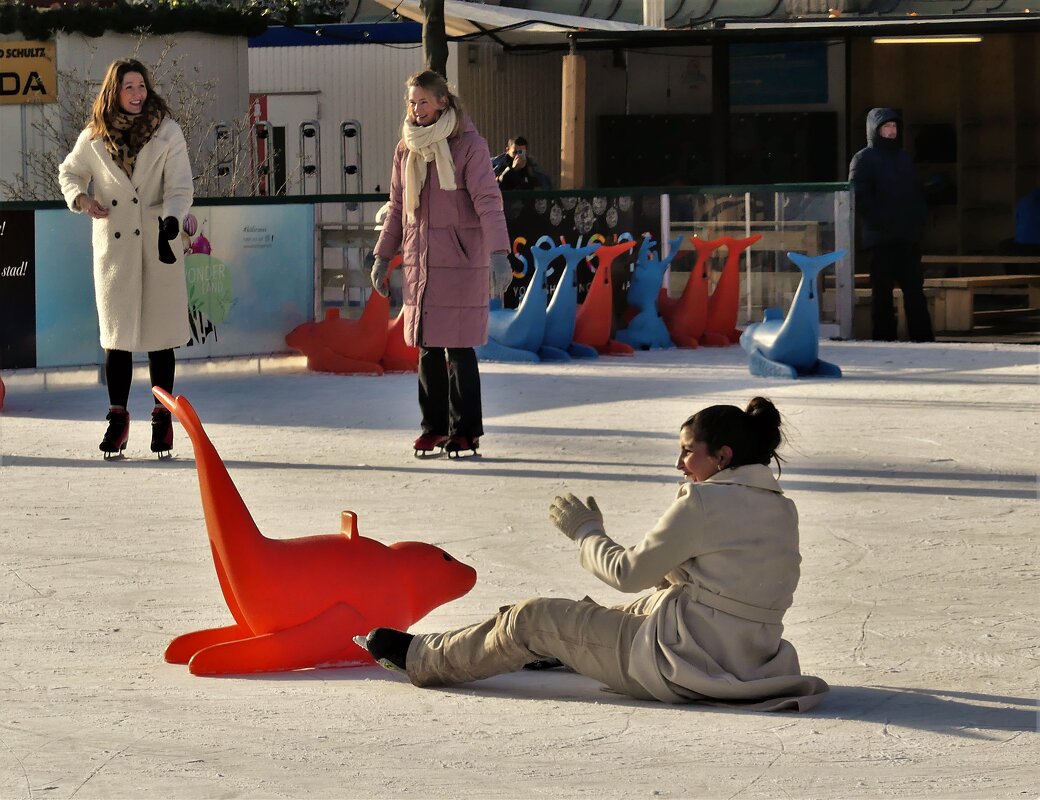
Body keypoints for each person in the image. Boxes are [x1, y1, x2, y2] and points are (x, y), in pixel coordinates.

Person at [357, 397, 830, 712]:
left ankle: (422, 658)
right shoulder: (778, 506)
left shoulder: (705, 500)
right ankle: (548, 652)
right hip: (748, 657)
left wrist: (586, 533)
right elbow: (721, 582)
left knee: (533, 618)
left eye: (689, 453)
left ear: (722, 457)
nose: (680, 464)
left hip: (687, 662)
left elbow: (628, 572)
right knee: (601, 616)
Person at [370, 70, 512, 458]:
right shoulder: (406, 149)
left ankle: (465, 430)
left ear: (443, 103)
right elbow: (398, 208)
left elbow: (487, 201)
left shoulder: (469, 147)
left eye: (423, 102)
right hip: (421, 261)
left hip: (461, 259)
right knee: (427, 348)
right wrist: (384, 255)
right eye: (412, 103)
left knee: (459, 348)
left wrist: (498, 252)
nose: (416, 110)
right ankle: (432, 427)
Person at [58, 58, 193, 459]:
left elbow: (181, 186)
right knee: (116, 340)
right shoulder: (94, 137)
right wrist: (82, 199)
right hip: (115, 247)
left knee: (160, 336)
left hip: (158, 241)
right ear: (114, 92)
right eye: (128, 87)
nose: (137, 94)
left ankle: (162, 418)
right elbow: (69, 173)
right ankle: (117, 419)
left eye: (141, 86)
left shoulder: (168, 133)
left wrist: (171, 218)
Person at [848, 108, 934, 342]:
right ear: (874, 130)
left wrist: (918, 221)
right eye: (886, 127)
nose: (891, 131)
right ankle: (883, 338)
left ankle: (923, 338)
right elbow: (860, 198)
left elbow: (916, 193)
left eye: (894, 126)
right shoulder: (863, 158)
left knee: (915, 290)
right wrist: (881, 223)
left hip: (907, 236)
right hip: (881, 239)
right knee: (882, 293)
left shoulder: (903, 157)